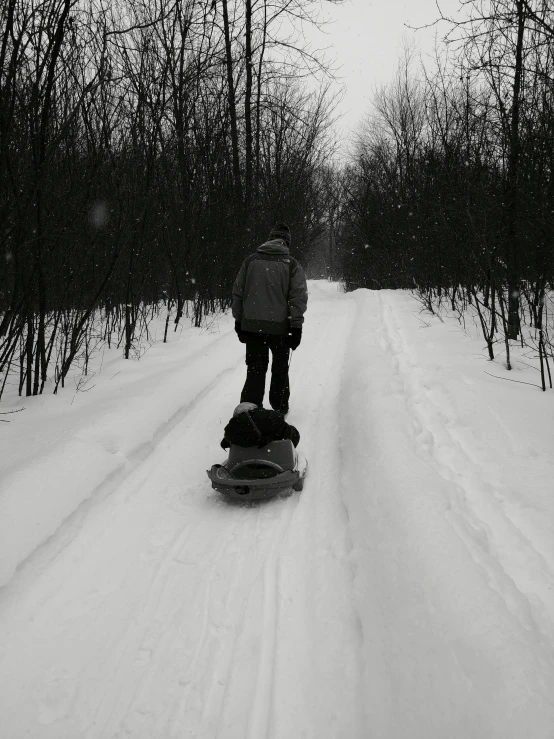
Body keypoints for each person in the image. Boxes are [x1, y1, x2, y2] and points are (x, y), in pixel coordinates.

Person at [232, 223, 308, 415]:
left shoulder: (250, 261)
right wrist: (296, 326)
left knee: (256, 368)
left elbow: (238, 292)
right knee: (280, 369)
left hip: (252, 326)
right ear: (287, 242)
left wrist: (239, 321)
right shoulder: (291, 264)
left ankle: (250, 408)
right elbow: (297, 296)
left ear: (269, 239)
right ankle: (279, 407)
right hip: (280, 328)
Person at [221, 402, 300, 450]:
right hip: (273, 459)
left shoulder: (233, 430)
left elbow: (229, 435)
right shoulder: (272, 418)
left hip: (247, 463)